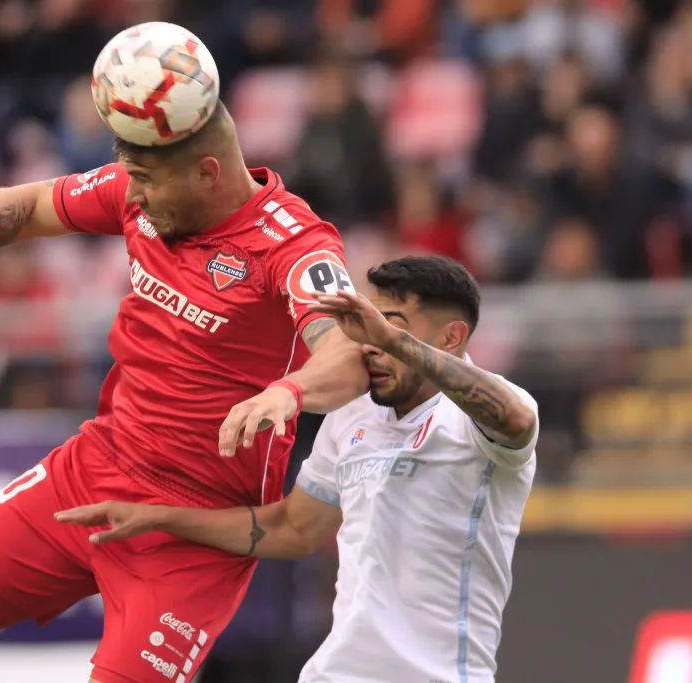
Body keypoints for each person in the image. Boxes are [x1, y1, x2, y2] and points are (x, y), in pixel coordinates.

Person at [0, 100, 371, 683]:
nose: (134, 198)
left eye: (148, 183)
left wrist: (287, 392)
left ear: (207, 172)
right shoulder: (143, 190)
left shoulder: (294, 244)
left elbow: (347, 353)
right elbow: (30, 202)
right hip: (95, 468)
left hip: (196, 528)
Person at [57, 256, 540, 683]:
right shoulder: (352, 414)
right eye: (367, 325)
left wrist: (391, 338)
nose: (370, 343)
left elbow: (515, 421)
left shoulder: (490, 412)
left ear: (452, 337)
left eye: (389, 324)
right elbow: (292, 527)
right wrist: (162, 517)